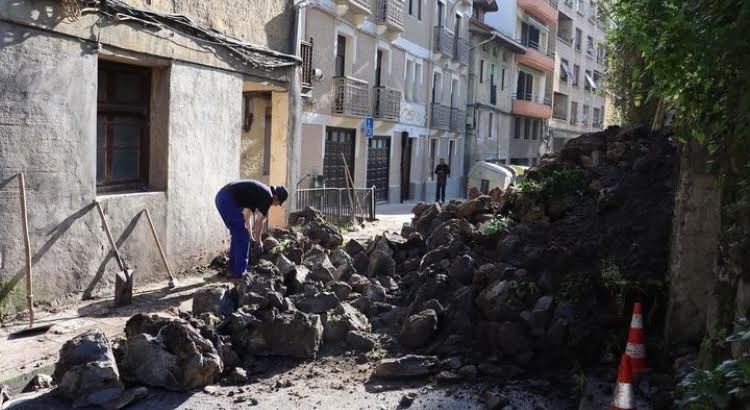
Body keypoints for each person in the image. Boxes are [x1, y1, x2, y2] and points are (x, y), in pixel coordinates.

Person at [215, 180, 288, 279]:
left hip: (222, 198)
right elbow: (259, 222)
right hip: (228, 200)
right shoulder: (268, 197)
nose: (276, 205)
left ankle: (232, 270)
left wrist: (250, 235)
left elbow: (247, 215)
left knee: (239, 235)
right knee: (242, 236)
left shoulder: (260, 193)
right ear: (276, 196)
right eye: (278, 203)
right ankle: (240, 274)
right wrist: (259, 241)